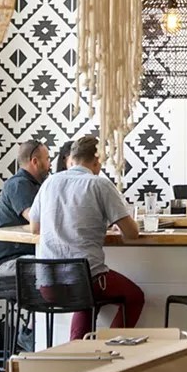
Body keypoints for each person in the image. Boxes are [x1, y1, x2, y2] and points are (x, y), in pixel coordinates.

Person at [30, 135, 143, 340]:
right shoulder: (100, 184)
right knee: (134, 297)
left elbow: (35, 227)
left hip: (48, 283)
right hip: (86, 281)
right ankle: (112, 347)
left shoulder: (49, 183)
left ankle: (79, 353)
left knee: (84, 298)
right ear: (97, 160)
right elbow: (132, 233)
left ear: (71, 158)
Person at [0, 139, 51, 277]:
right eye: (47, 159)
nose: (50, 164)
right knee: (59, 270)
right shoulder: (19, 185)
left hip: (23, 256)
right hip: (9, 260)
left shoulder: (33, 185)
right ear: (34, 161)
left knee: (65, 266)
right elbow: (35, 220)